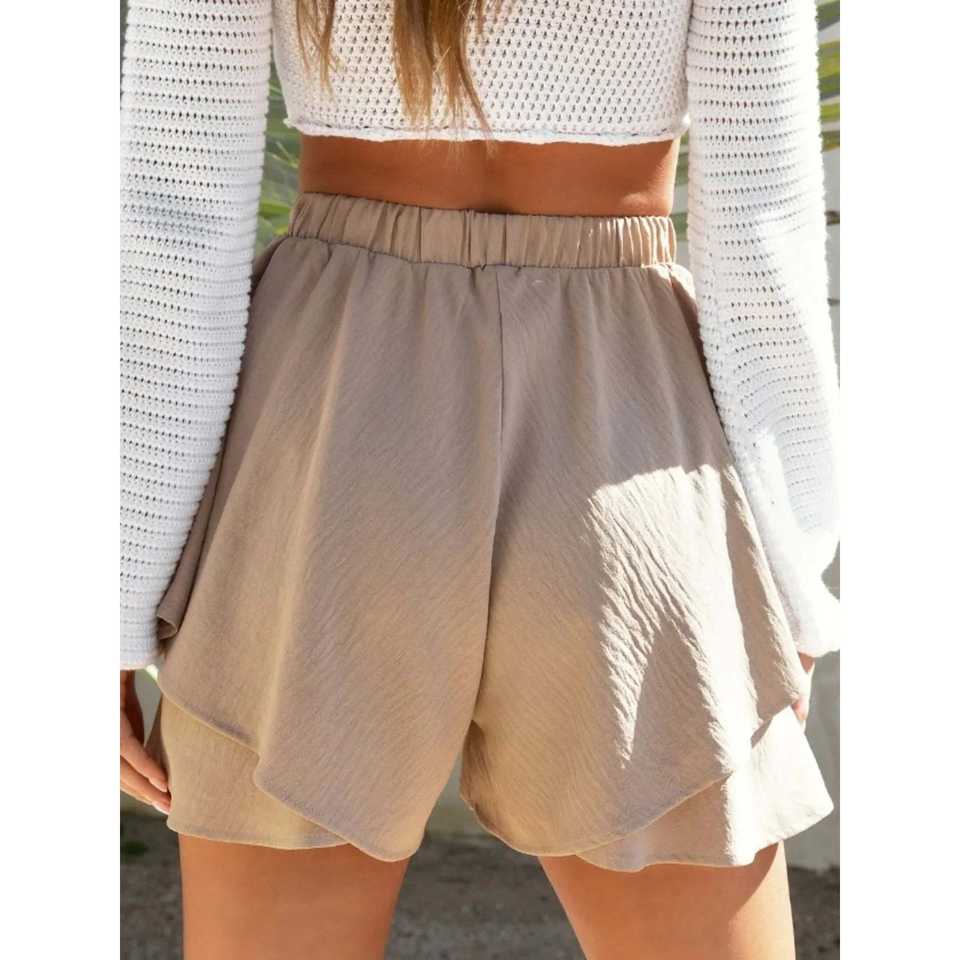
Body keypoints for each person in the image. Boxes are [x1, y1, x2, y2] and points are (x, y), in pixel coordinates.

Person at [119, 1, 841, 957]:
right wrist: (795, 564)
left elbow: (174, 215)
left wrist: (114, 597)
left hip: (330, 422)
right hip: (623, 422)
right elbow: (760, 221)